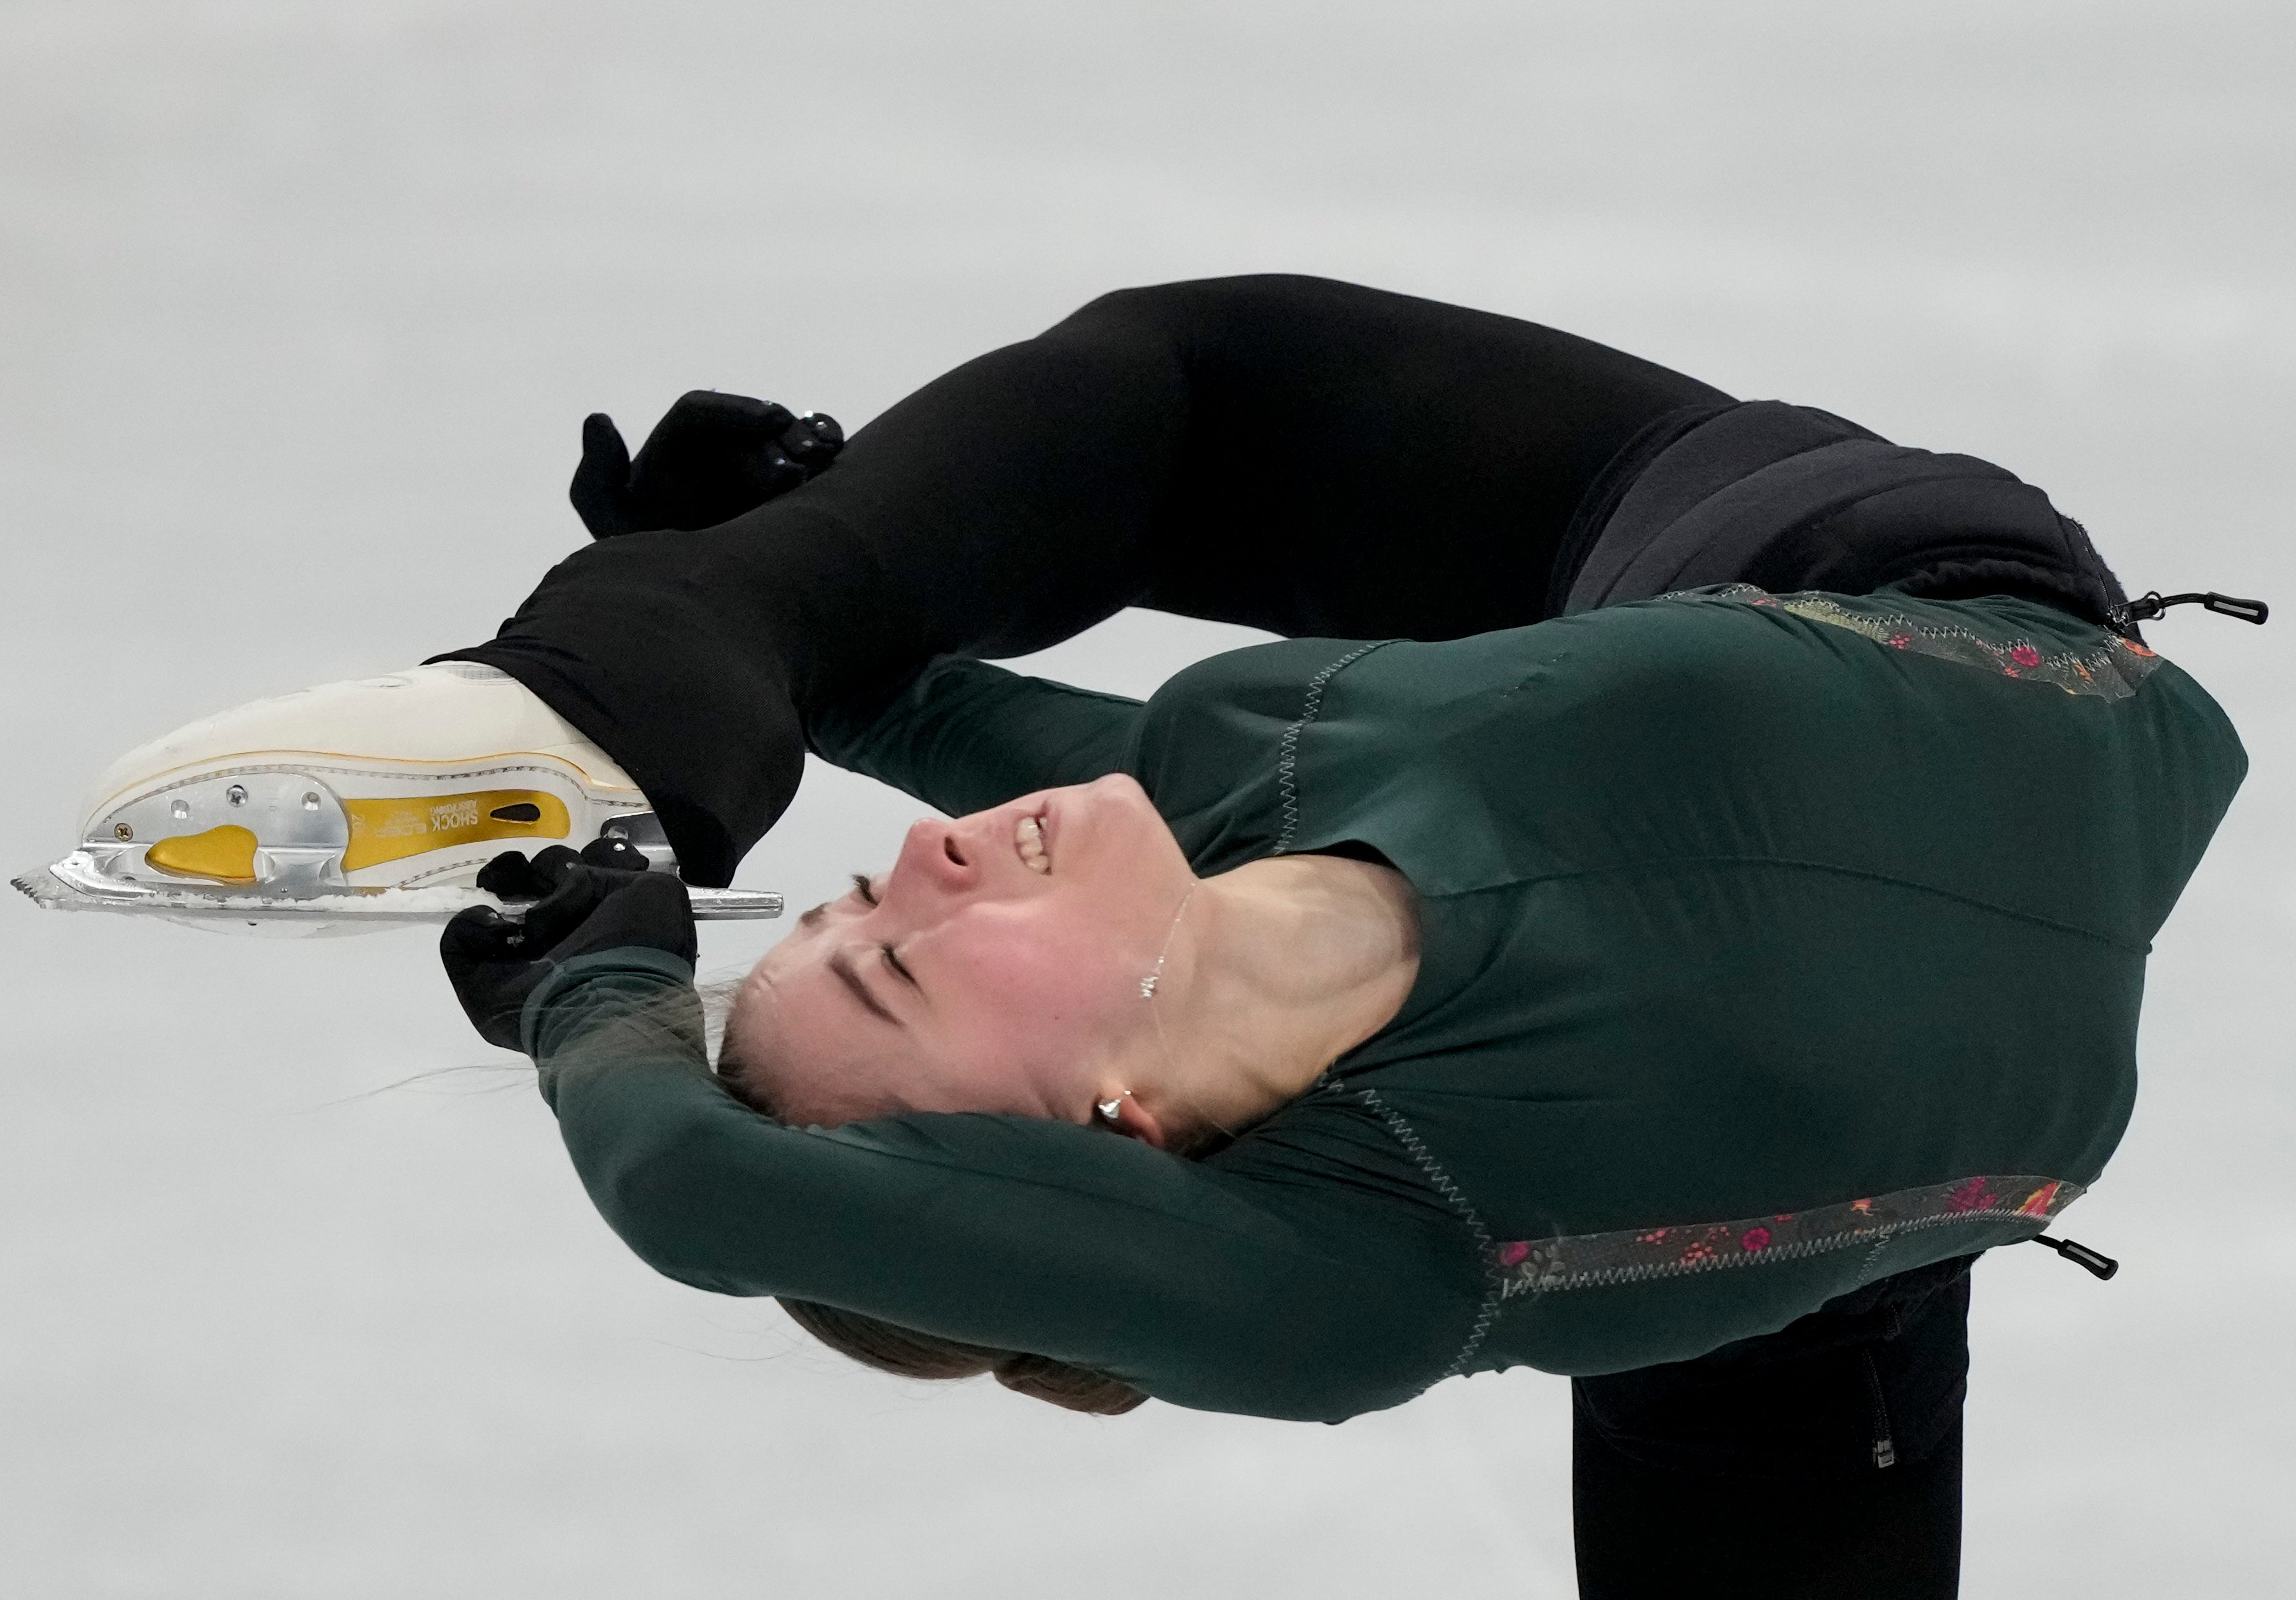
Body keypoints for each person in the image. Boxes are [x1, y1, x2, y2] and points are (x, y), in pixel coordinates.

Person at [430, 275, 2245, 1597]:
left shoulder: (1227, 768)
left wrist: (749, 577)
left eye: (852, 899)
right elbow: (695, 1191)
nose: (914, 863)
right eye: (900, 962)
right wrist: (594, 987)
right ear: (1107, 1143)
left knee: (1192, 391)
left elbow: (922, 690)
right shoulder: (1362, 1270)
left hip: (1846, 577)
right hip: (1783, 1244)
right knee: (1705, 1314)